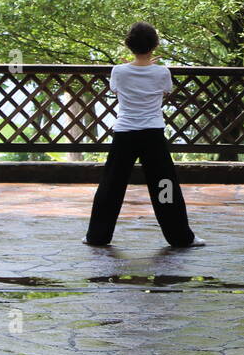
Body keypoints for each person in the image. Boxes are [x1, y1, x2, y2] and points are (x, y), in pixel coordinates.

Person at [85, 22, 204, 248]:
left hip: (125, 133)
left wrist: (135, 67)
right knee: (164, 186)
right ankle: (181, 237)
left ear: (129, 45)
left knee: (111, 185)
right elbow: (165, 89)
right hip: (152, 133)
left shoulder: (118, 71)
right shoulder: (162, 72)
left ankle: (96, 236)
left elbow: (117, 88)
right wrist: (149, 67)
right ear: (154, 45)